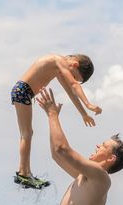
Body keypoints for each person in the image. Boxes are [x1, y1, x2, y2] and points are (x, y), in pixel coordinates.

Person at [11, 54, 103, 189]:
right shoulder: (58, 60)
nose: (73, 78)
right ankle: (24, 173)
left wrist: (83, 114)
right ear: (75, 65)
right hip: (22, 91)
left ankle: (25, 173)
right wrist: (88, 104)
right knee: (27, 133)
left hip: (23, 92)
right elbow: (73, 84)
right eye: (75, 76)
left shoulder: (58, 68)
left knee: (27, 133)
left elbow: (71, 91)